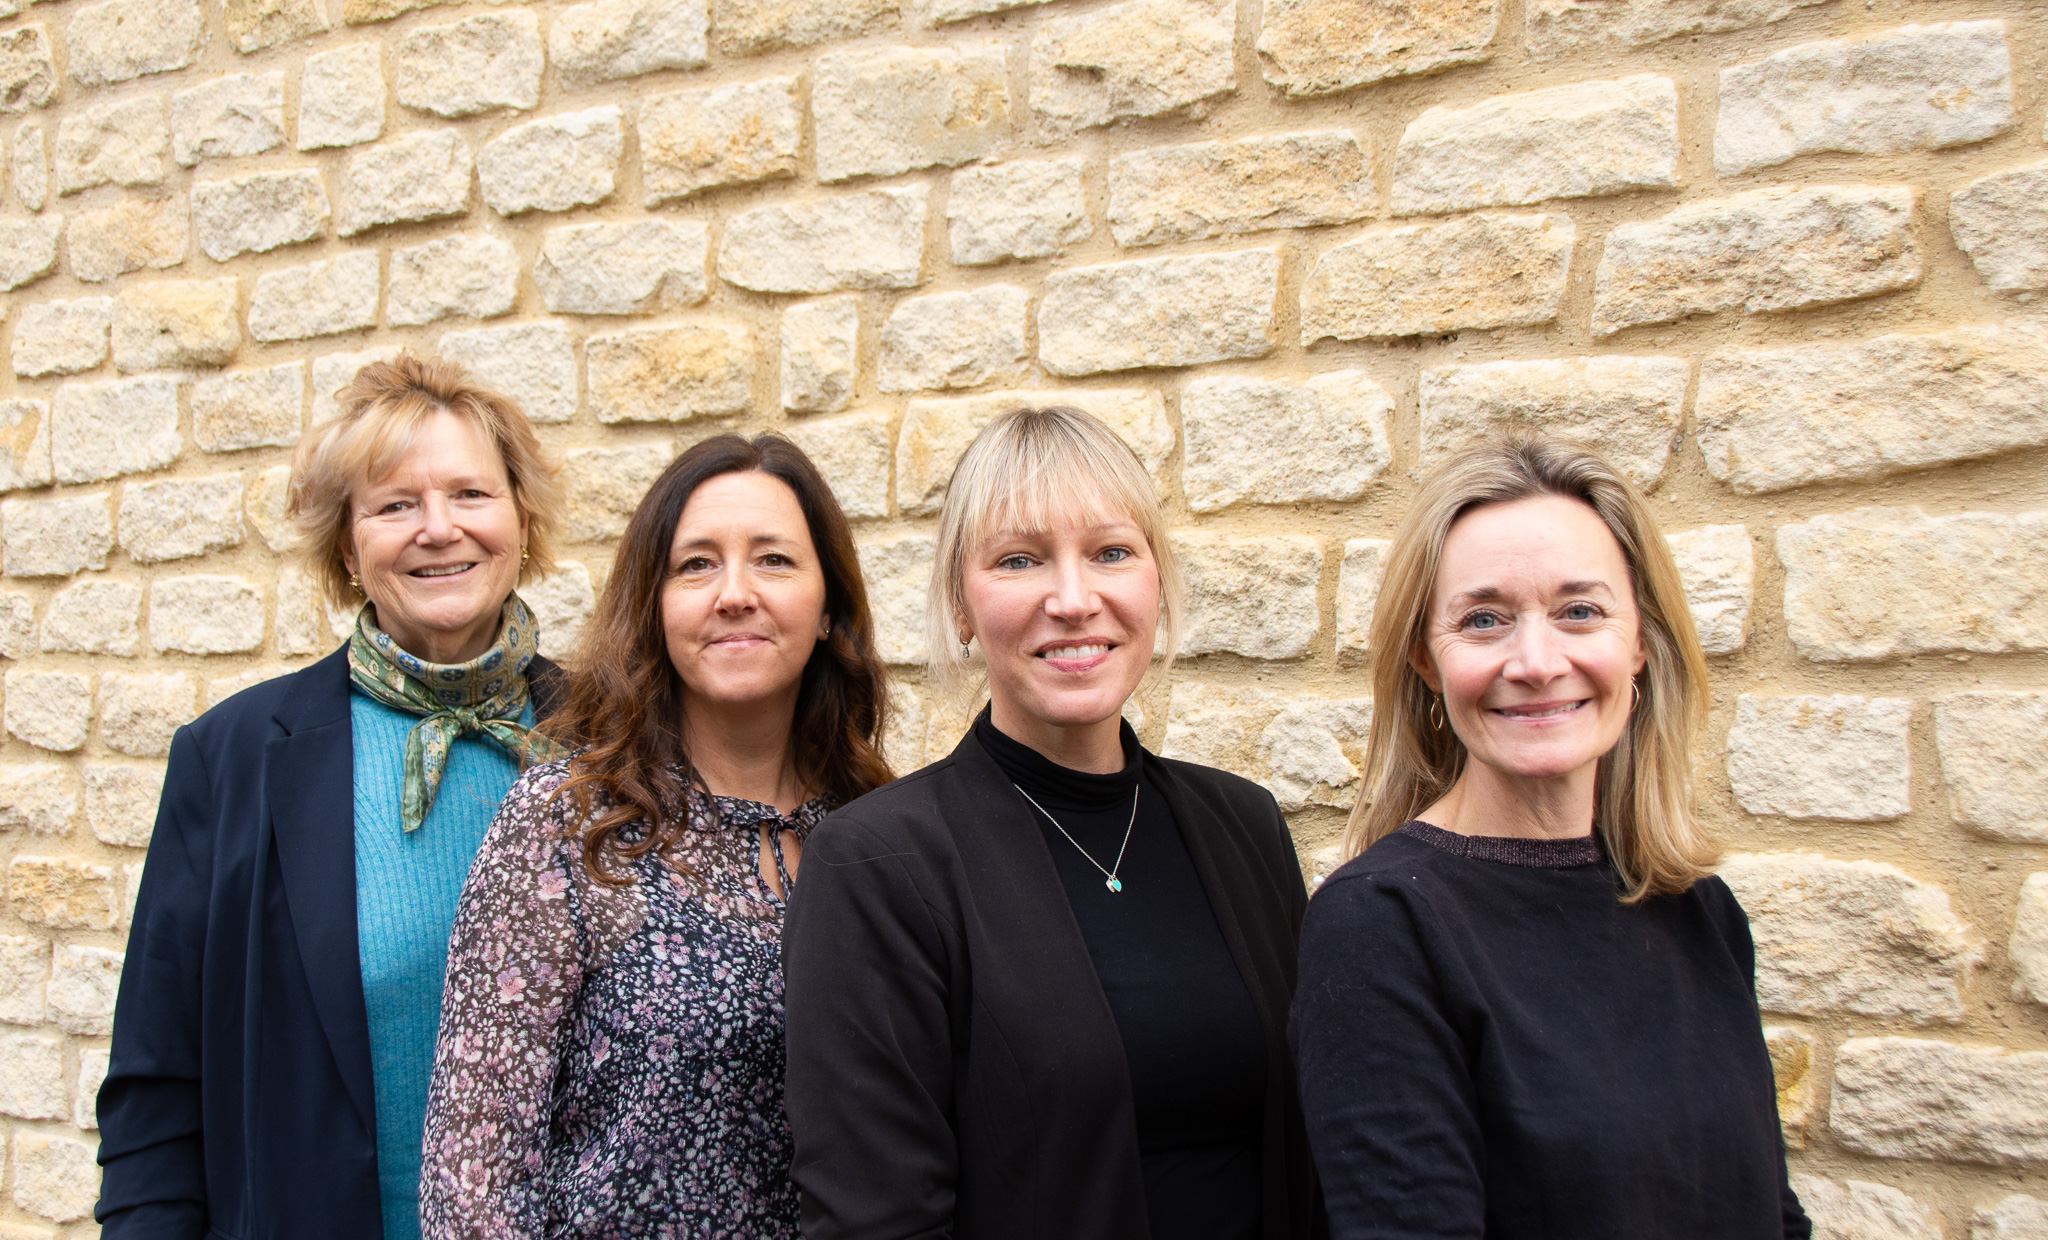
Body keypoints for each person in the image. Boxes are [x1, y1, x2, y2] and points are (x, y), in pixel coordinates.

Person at [783, 406, 1321, 1240]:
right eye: (1020, 560)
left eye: (1111, 552)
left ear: (1156, 584)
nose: (1074, 600)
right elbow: (876, 1216)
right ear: (961, 607)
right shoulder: (878, 867)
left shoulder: (1244, 825)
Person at [96, 356, 569, 1240]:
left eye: (471, 494)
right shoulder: (231, 759)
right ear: (348, 548)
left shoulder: (618, 740)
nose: (439, 529)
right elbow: (157, 1085)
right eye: (394, 505)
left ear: (521, 519)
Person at [1291, 434, 1809, 1240]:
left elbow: (1769, 1213)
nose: (1536, 661)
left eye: (1579, 612)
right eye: (1485, 619)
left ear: (1639, 643)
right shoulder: (1381, 927)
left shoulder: (1701, 910)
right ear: (1428, 662)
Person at [418, 433, 893, 1239]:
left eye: (774, 561)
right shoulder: (570, 822)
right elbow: (474, 1177)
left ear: (827, 611)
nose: (735, 593)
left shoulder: (879, 829)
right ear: (655, 605)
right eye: (696, 564)